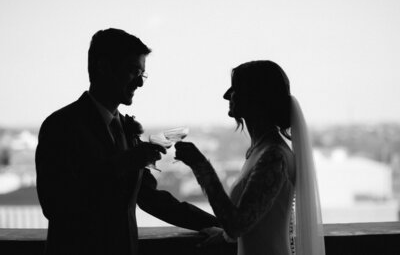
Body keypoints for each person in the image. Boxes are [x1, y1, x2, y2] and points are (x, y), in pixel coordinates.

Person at [35, 28, 219, 255]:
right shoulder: (60, 126)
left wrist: (220, 225)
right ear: (103, 67)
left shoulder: (127, 129)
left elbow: (149, 197)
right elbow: (56, 205)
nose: (140, 83)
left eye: (142, 74)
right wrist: (124, 163)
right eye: (133, 71)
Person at [175, 60, 325, 255]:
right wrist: (224, 236)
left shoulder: (273, 155)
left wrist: (200, 165)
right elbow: (258, 220)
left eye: (235, 88)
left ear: (255, 96)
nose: (227, 95)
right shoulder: (261, 150)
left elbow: (236, 225)